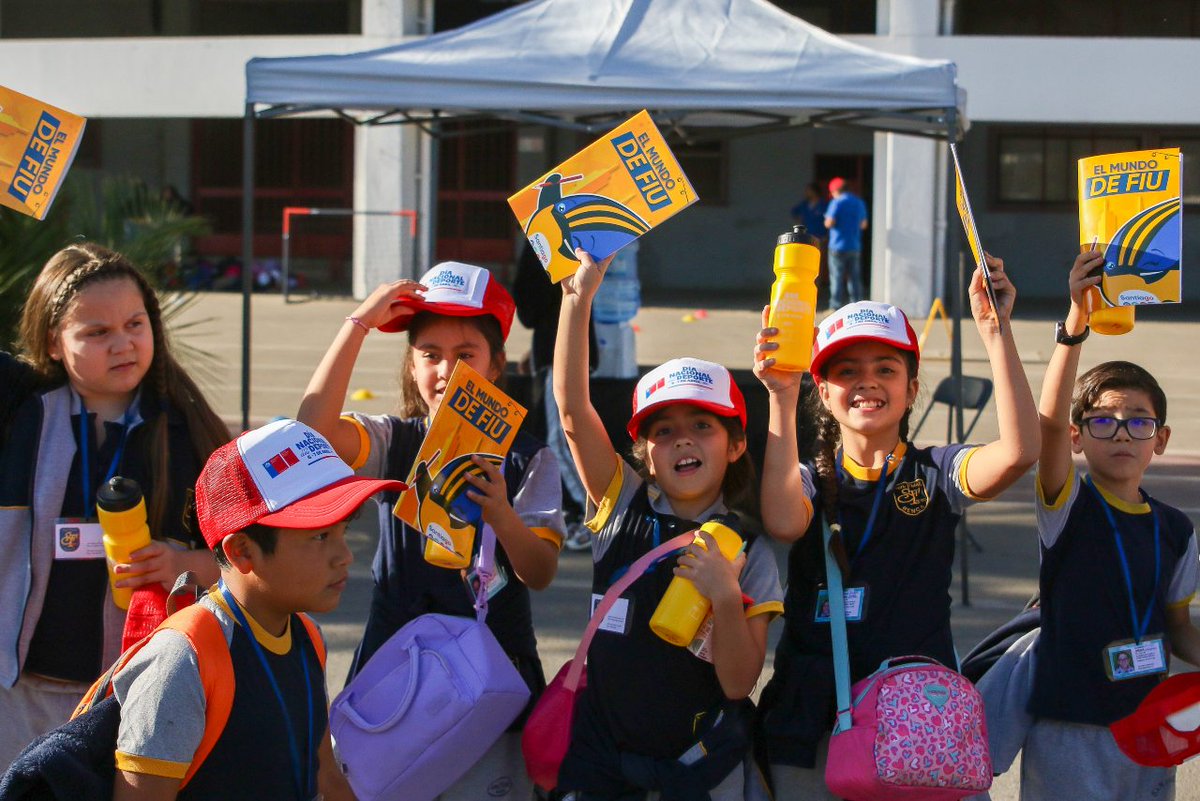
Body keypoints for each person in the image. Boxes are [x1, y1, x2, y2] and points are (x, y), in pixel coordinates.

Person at [752, 254, 1039, 800]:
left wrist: (996, 334)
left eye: (886, 369)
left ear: (911, 389)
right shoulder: (810, 480)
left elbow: (1020, 452)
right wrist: (780, 398)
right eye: (847, 371)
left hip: (917, 722)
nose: (867, 383)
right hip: (812, 720)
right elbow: (783, 521)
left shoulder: (938, 471)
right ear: (823, 390)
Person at [297, 260, 565, 800]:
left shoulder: (530, 457)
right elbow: (310, 436)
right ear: (411, 365)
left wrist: (501, 515)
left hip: (492, 691)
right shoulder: (393, 440)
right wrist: (359, 324)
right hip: (394, 687)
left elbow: (540, 572)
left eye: (465, 354)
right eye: (430, 354)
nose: (446, 370)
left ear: (495, 366)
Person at [553, 247, 783, 801]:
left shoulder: (751, 552)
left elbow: (736, 682)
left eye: (702, 425)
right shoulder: (619, 504)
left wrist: (725, 597)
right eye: (663, 430)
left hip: (695, 772)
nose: (682, 439)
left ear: (736, 445)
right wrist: (578, 299)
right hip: (598, 763)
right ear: (643, 452)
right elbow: (570, 407)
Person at [0, 243, 230, 767]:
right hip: (15, 695)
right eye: (97, 333)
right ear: (54, 343)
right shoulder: (19, 415)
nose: (122, 343)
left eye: (135, 324)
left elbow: (247, 561)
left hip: (131, 698)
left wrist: (182, 564)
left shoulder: (189, 433)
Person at [110, 417, 397, 799]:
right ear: (242, 551)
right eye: (321, 536)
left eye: (344, 530)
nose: (345, 556)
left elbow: (324, 776)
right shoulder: (182, 659)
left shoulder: (307, 636)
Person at [1019, 246, 1200, 800]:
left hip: (1149, 727)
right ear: (1078, 437)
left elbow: (1178, 628)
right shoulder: (1067, 504)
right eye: (1103, 420)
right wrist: (1076, 323)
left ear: (1161, 440)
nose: (1122, 433)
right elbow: (1046, 427)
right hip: (1069, 726)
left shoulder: (1175, 530)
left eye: (1139, 422)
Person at [512, 241, 599, 550]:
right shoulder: (576, 238)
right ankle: (584, 511)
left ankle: (593, 516)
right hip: (562, 350)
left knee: (561, 439)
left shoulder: (544, 239)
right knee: (564, 435)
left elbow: (529, 308)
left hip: (558, 354)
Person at [823, 177, 869, 309]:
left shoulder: (836, 203)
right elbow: (864, 224)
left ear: (835, 191)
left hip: (837, 246)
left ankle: (835, 307)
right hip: (854, 245)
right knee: (854, 278)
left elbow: (829, 222)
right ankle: (857, 305)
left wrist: (827, 221)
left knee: (836, 277)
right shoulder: (859, 202)